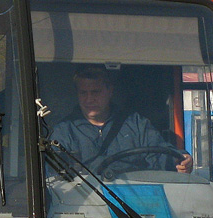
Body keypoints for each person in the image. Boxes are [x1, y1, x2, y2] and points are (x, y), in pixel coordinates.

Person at [49, 66, 192, 174]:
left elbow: (160, 154)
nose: (89, 99)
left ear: (110, 91)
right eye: (83, 93)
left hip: (134, 201)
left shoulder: (136, 124)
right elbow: (54, 172)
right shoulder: (64, 131)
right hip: (85, 203)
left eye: (95, 92)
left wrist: (181, 160)